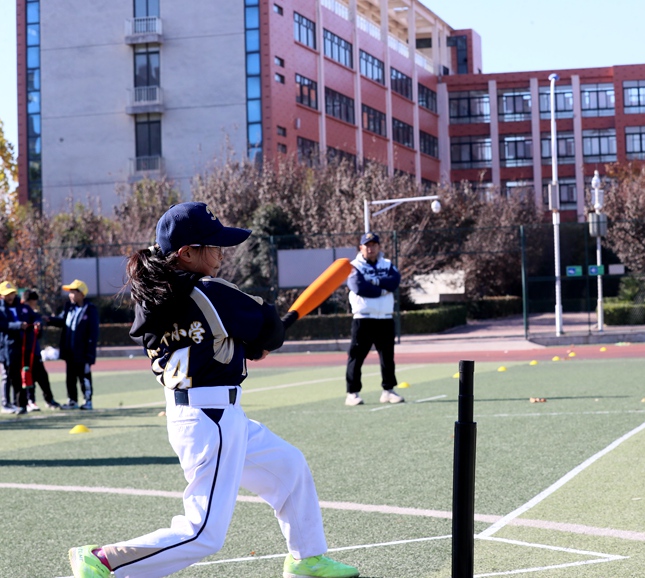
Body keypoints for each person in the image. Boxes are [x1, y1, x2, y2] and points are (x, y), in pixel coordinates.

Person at [67, 202, 358, 578]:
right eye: (214, 247)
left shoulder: (154, 297)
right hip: (212, 418)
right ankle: (106, 561)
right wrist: (264, 340)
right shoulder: (209, 291)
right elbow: (268, 327)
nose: (221, 255)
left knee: (289, 469)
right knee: (203, 533)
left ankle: (307, 558)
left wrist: (247, 345)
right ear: (187, 253)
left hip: (203, 413)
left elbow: (222, 338)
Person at [344, 231, 404, 406]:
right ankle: (352, 393)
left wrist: (375, 283)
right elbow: (359, 287)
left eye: (374, 245)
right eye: (367, 245)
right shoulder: (354, 266)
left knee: (387, 357)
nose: (371, 249)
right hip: (363, 317)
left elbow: (395, 281)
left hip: (385, 317)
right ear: (361, 247)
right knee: (356, 356)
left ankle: (388, 390)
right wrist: (382, 289)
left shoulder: (387, 264)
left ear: (378, 247)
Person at [46, 279, 99, 410]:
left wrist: (90, 354)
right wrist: (48, 320)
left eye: (73, 292)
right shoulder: (69, 308)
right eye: (70, 292)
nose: (70, 295)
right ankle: (72, 401)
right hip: (69, 351)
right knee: (70, 378)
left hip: (83, 352)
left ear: (81, 294)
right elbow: (61, 320)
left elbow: (93, 333)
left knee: (84, 377)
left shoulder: (90, 310)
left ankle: (88, 401)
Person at [0, 281, 37, 415]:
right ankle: (6, 403)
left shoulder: (22, 307)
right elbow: (2, 324)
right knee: (7, 376)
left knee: (19, 377)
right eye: (6, 295)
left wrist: (37, 323)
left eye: (11, 294)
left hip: (22, 347)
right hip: (6, 348)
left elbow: (34, 316)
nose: (10, 297)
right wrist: (17, 325)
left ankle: (21, 404)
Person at [23, 290, 62, 411]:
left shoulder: (33, 313)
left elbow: (38, 325)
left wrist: (38, 326)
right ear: (29, 301)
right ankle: (30, 401)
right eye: (34, 302)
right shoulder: (22, 311)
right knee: (29, 376)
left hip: (35, 350)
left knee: (42, 376)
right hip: (25, 351)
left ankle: (49, 400)